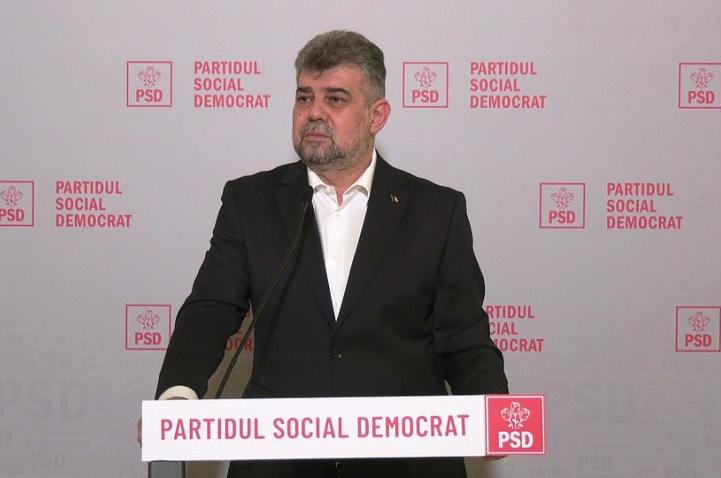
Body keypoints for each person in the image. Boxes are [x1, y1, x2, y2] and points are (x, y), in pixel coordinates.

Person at [153, 30, 508, 478]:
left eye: (335, 99)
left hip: (405, 465)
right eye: (304, 98)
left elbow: (463, 337)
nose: (314, 113)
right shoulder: (251, 202)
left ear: (377, 115)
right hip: (281, 463)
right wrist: (177, 397)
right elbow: (209, 311)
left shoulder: (436, 211)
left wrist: (490, 408)